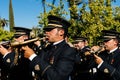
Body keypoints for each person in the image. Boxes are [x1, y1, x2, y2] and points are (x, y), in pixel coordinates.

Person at [21, 15, 76, 80]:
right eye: (46, 30)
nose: (46, 32)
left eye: (50, 30)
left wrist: (32, 56)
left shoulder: (68, 50)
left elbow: (57, 77)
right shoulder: (47, 48)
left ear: (61, 32)